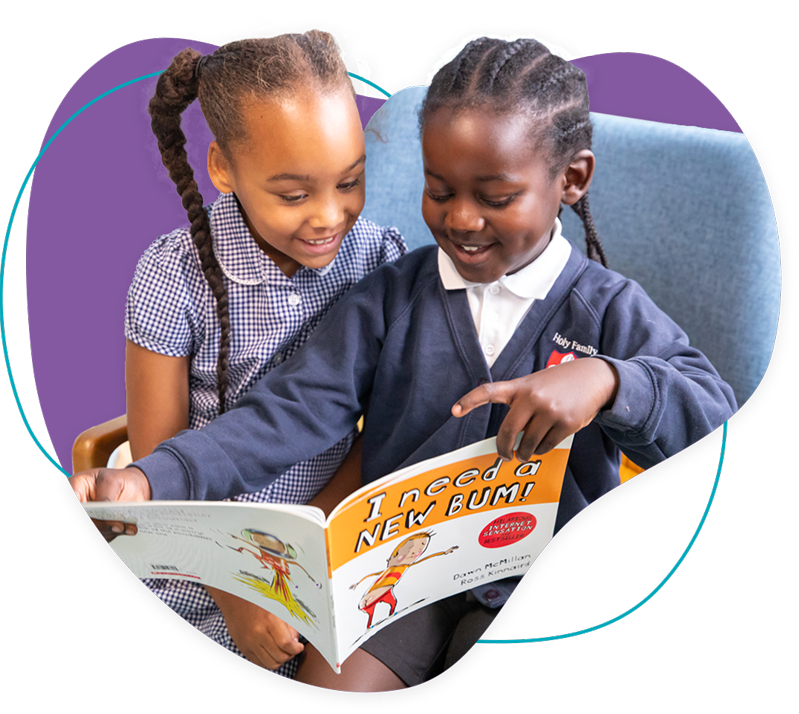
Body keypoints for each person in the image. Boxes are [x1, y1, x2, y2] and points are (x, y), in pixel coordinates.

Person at [70, 36, 737, 691]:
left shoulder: (609, 310)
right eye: (440, 191)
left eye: (496, 197)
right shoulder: (392, 292)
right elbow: (287, 413)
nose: (463, 221)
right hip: (395, 582)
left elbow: (715, 422)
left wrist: (613, 381)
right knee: (331, 688)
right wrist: (155, 478)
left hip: (534, 584)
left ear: (571, 179)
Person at [112, 30, 407, 679]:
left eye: (350, 181)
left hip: (326, 539)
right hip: (198, 564)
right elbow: (156, 480)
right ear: (223, 168)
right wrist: (240, 592)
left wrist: (305, 554)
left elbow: (382, 434)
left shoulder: (380, 259)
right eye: (295, 195)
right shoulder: (172, 277)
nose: (330, 216)